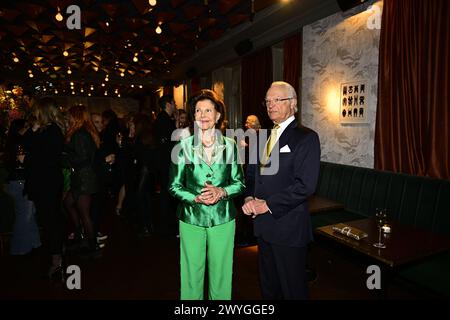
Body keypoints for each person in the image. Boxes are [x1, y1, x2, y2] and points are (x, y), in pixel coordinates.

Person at [241, 81, 321, 299]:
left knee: (293, 290)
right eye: (268, 100)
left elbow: (305, 185)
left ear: (293, 103)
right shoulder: (260, 138)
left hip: (288, 228)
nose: (271, 104)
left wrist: (267, 204)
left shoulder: (306, 137)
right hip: (263, 226)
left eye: (277, 99)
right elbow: (250, 177)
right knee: (269, 287)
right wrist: (249, 197)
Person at [169, 89, 245, 300]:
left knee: (221, 272)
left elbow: (239, 183)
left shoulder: (230, 146)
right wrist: (194, 197)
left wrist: (222, 191)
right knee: (191, 272)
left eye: (208, 110)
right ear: (194, 116)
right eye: (198, 111)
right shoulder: (183, 147)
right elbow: (174, 186)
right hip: (191, 217)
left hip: (223, 218)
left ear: (218, 115)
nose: (203, 115)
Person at [22, 97, 65, 279]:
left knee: (50, 220)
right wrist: (32, 129)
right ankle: (57, 252)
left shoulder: (53, 131)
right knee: (49, 219)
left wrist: (27, 160)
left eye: (37, 111)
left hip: (47, 182)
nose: (34, 113)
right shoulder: (42, 130)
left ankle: (57, 260)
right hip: (44, 182)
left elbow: (47, 159)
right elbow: (27, 144)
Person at [63, 104, 101, 256]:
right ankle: (82, 238)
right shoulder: (83, 132)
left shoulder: (80, 134)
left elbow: (83, 159)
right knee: (69, 204)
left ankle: (91, 246)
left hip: (84, 178)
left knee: (84, 214)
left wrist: (65, 158)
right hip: (83, 177)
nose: (68, 118)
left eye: (70, 116)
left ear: (76, 117)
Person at [3, 118, 41, 255]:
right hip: (20, 183)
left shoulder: (13, 143)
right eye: (26, 127)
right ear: (19, 129)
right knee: (25, 216)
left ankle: (34, 244)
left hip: (16, 182)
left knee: (29, 215)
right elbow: (24, 163)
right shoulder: (19, 144)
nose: (28, 129)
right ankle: (20, 249)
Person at [155, 95, 177, 235]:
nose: (175, 105)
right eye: (173, 103)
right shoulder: (164, 120)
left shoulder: (163, 119)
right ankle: (167, 225)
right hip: (165, 162)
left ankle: (166, 223)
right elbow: (167, 143)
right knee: (167, 193)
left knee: (166, 193)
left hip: (164, 162)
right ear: (168, 104)